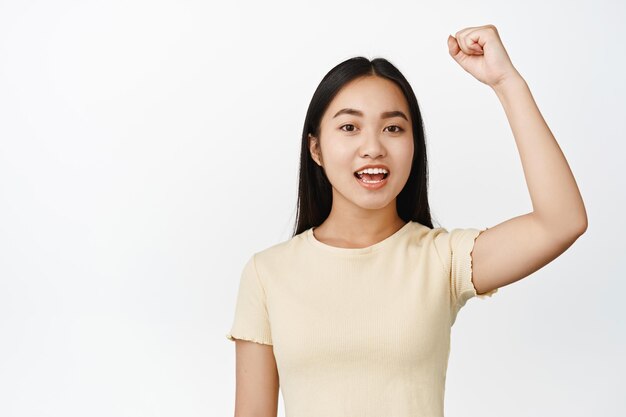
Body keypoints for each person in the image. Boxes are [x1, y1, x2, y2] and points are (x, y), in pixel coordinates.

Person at [225, 24, 588, 417]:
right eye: (349, 127)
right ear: (315, 148)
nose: (373, 147)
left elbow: (562, 221)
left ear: (414, 145)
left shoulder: (441, 260)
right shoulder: (267, 273)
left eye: (393, 128)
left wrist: (506, 82)